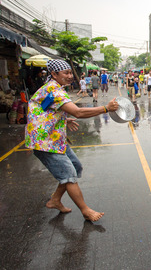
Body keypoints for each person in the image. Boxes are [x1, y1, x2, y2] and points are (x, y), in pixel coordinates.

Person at [24, 60, 119, 222]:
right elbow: (78, 112)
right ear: (54, 74)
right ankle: (85, 210)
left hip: (55, 138)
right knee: (68, 175)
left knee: (75, 166)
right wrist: (105, 109)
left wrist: (63, 120)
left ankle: (55, 200)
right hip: (45, 142)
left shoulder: (53, 88)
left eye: (70, 72)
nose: (70, 76)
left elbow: (43, 110)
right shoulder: (54, 90)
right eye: (65, 73)